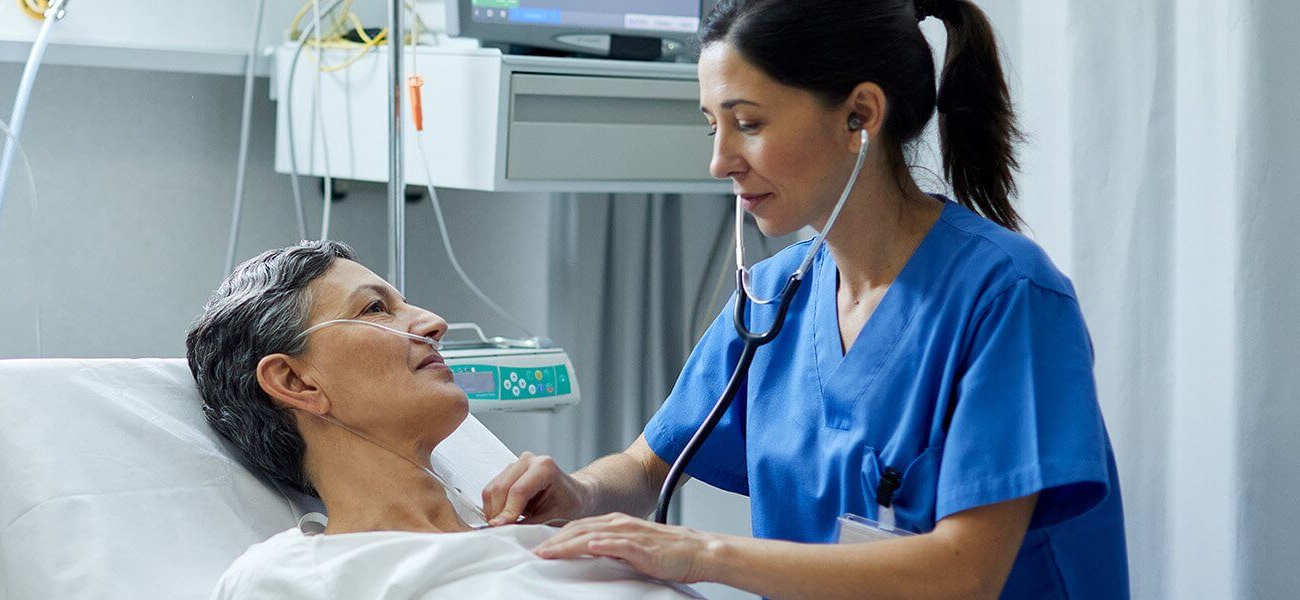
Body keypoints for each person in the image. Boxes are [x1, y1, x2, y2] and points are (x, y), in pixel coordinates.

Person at [480, 0, 1128, 597]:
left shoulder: (1008, 297)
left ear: (860, 116)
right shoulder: (771, 297)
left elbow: (966, 572)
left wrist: (699, 551)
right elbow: (647, 466)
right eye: (712, 126)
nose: (719, 160)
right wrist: (578, 489)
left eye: (747, 123)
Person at [188, 241, 698, 598]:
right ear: (296, 383)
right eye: (375, 309)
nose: (435, 323)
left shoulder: (565, 540)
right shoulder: (295, 579)